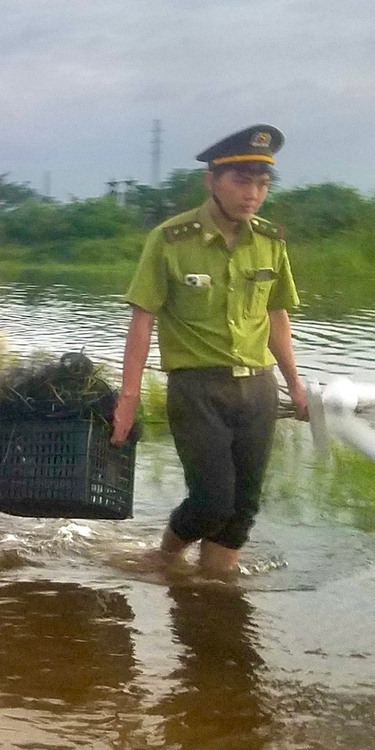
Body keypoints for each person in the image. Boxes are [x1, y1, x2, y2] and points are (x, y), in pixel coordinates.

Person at [112, 126, 309, 576]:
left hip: (258, 388)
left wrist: (295, 385)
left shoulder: (270, 241)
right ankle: (165, 557)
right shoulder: (170, 239)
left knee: (243, 509)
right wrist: (128, 397)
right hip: (198, 389)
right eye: (241, 181)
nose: (252, 194)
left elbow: (276, 315)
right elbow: (142, 319)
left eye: (262, 184)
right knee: (212, 501)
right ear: (211, 181)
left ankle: (215, 593)